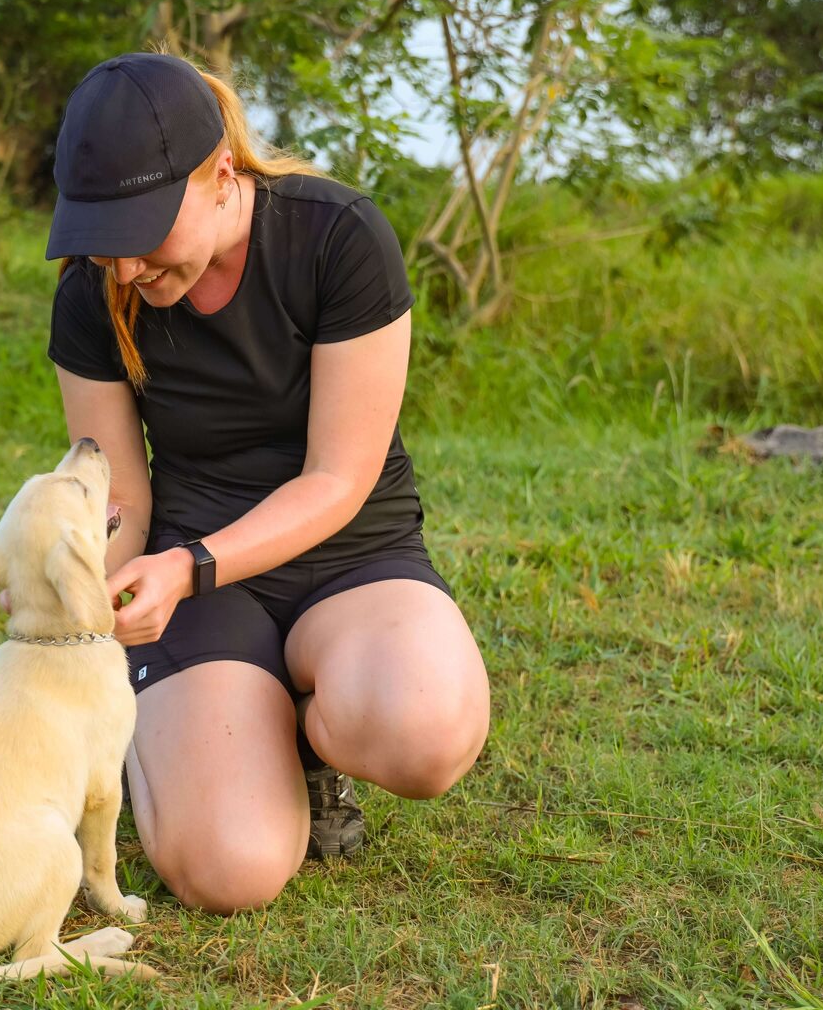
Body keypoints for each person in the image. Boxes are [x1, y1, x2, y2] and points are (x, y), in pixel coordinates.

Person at [40, 50, 491, 915]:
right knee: (229, 872)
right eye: (104, 241)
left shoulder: (337, 236)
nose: (124, 269)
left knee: (424, 735)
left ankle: (299, 742)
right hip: (193, 588)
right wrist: (92, 589)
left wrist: (192, 564)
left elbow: (337, 477)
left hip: (350, 557)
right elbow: (123, 503)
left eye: (142, 232)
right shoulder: (92, 299)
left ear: (219, 174)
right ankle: (189, 735)